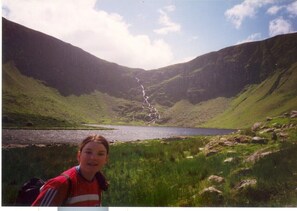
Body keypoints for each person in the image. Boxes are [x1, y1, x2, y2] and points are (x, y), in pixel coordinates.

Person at [32, 135, 109, 206]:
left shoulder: (99, 181)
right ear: (79, 156)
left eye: (100, 154)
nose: (93, 158)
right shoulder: (60, 184)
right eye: (88, 152)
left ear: (106, 159)